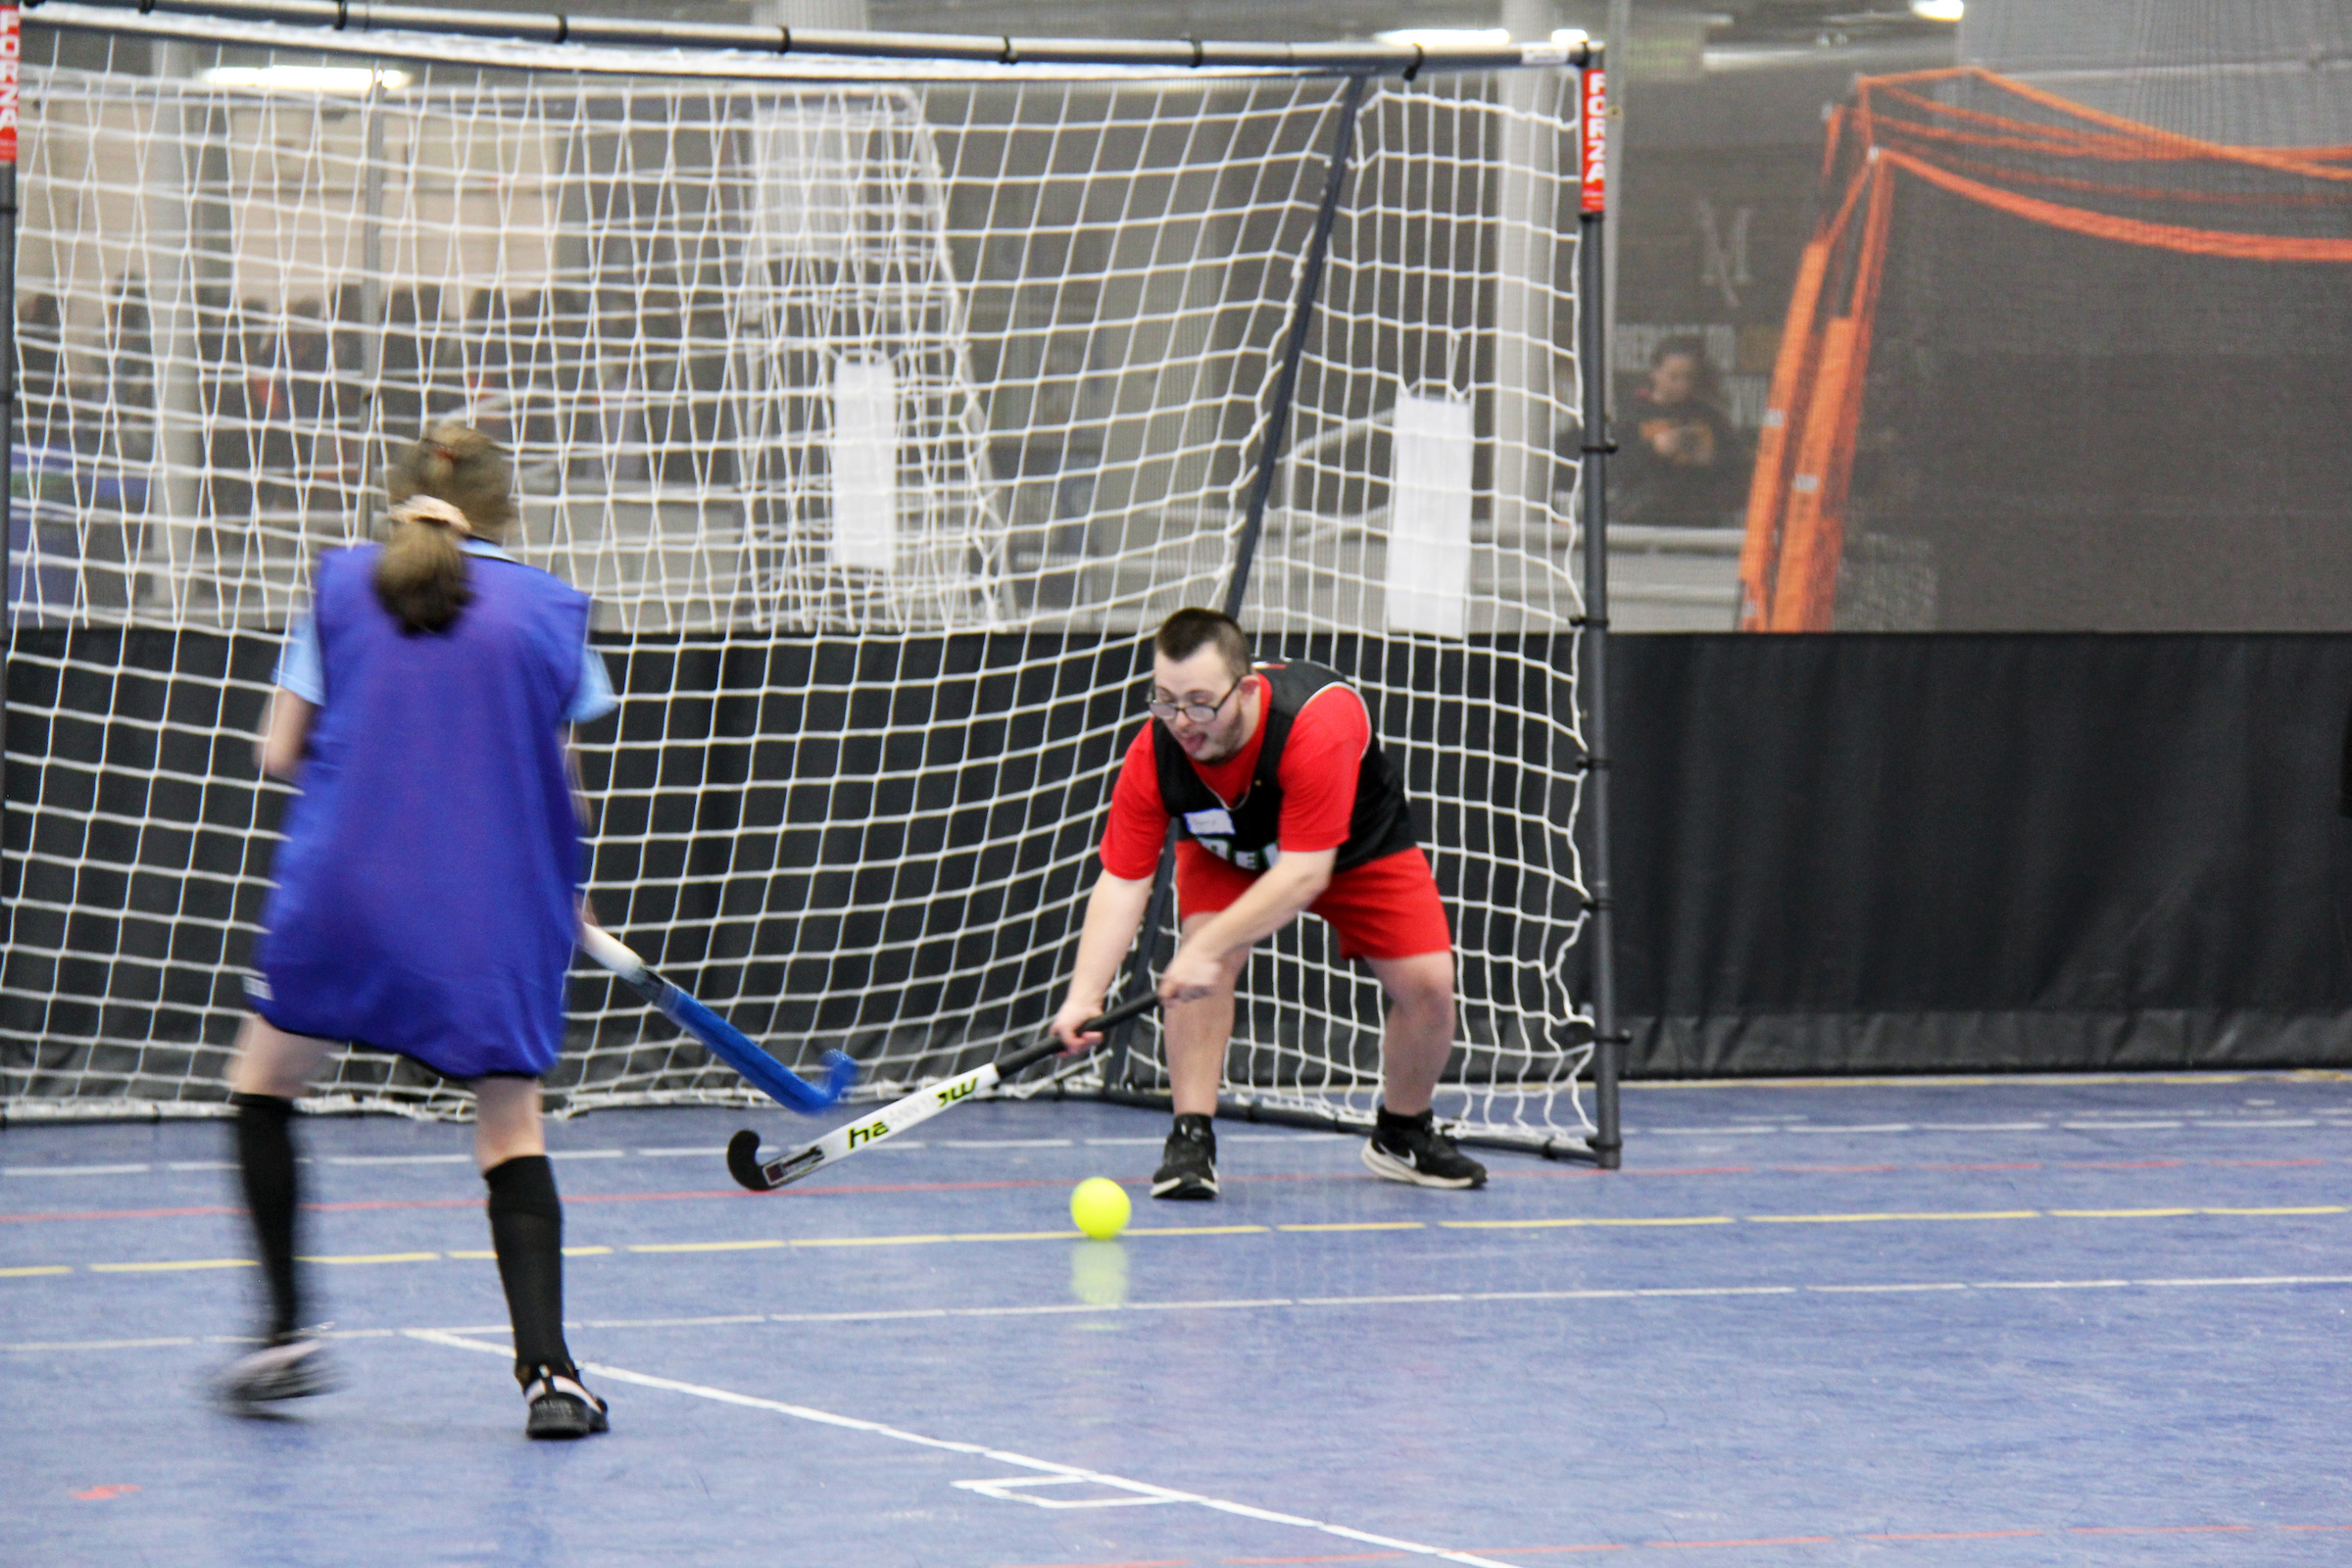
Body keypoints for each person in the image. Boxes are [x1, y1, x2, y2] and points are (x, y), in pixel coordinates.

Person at [214, 421, 618, 1439]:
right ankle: (551, 1378)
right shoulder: (547, 610)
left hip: (344, 889)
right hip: (485, 904)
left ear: (396, 498)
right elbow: (555, 786)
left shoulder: (342, 586)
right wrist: (564, 889)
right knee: (508, 1125)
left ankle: (283, 1335)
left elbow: (277, 752)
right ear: (502, 509)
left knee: (262, 1083)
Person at [1051, 608, 1485, 1200]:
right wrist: (1083, 995)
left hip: (1350, 842)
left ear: (1246, 688)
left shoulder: (1317, 721)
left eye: (1201, 703)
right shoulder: (1155, 755)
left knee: (1430, 985)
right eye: (1165, 700)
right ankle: (1191, 1138)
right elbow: (1124, 881)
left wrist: (1203, 947)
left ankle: (1402, 1133)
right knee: (1204, 969)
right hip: (1229, 847)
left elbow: (1305, 875)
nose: (1182, 721)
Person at [1612, 337, 1746, 528]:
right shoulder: (1631, 414)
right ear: (1655, 373)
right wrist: (1653, 449)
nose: (1682, 385)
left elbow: (1739, 471)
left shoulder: (1710, 416)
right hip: (1643, 520)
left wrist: (1713, 459)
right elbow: (1615, 468)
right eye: (1673, 377)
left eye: (1689, 377)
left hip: (1698, 519)